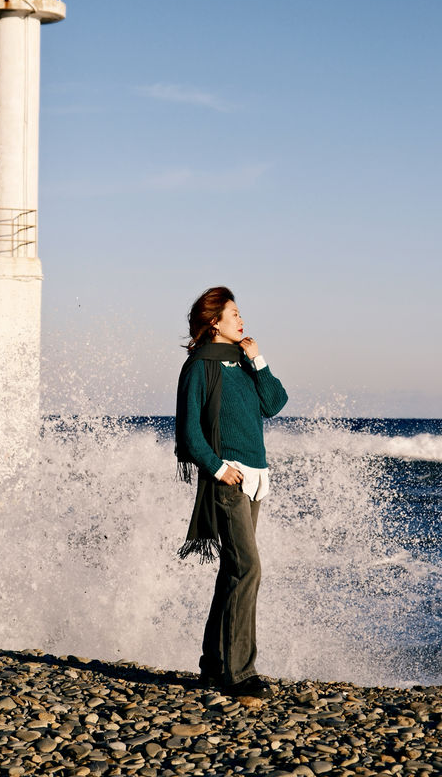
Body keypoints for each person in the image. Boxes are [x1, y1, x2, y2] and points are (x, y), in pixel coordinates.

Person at [175, 286, 288, 698]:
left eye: (240, 312)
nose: (241, 319)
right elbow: (189, 433)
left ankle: (212, 663)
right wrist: (220, 468)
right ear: (213, 322)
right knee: (248, 568)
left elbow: (275, 403)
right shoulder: (199, 367)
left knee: (233, 570)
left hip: (255, 478)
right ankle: (239, 673)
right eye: (233, 313)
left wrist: (259, 359)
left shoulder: (242, 361)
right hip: (229, 479)